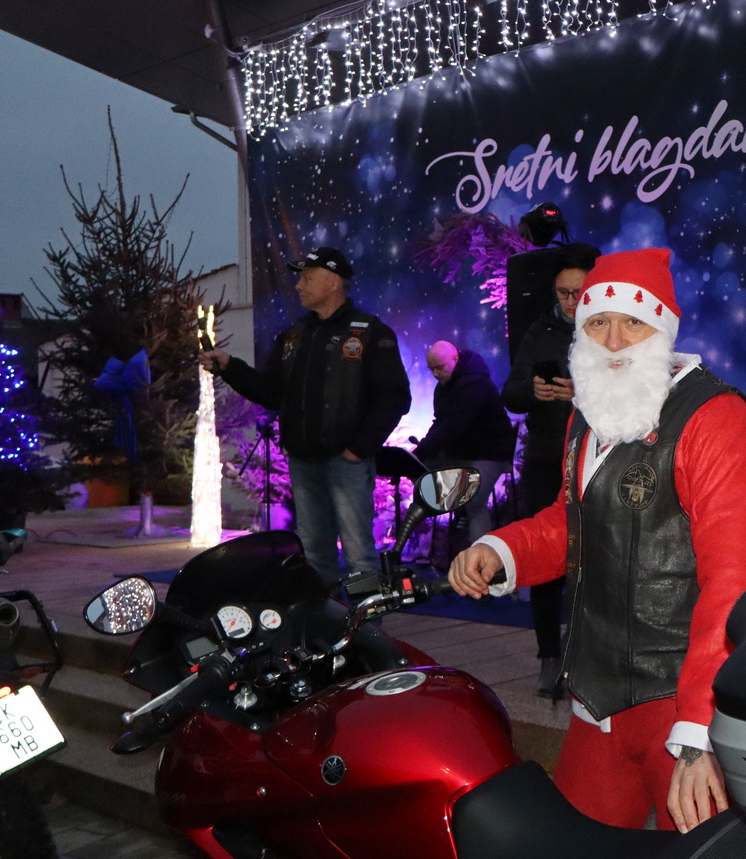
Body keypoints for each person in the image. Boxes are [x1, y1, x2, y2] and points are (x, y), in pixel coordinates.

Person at [448, 248, 746, 833]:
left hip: (678, 703)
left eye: (634, 321)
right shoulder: (591, 414)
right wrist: (500, 550)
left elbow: (737, 582)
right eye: (598, 321)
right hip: (597, 699)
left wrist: (702, 730)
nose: (614, 340)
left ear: (663, 328)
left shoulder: (716, 419)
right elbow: (572, 521)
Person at [199, 246, 410, 580]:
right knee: (314, 553)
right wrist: (230, 367)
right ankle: (325, 613)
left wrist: (358, 449)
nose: (298, 286)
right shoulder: (294, 335)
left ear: (333, 282)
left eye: (307, 278)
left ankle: (367, 615)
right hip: (303, 462)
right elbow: (271, 391)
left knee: (358, 554)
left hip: (346, 463)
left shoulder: (370, 332)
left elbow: (394, 397)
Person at [501, 242, 601, 698]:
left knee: (597, 557)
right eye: (563, 292)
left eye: (579, 292)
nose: (571, 301)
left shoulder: (610, 327)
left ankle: (589, 651)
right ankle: (549, 654)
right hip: (545, 456)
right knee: (545, 555)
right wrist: (534, 392)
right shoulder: (540, 328)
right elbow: (511, 392)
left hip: (597, 455)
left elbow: (634, 390)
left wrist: (579, 393)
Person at [414, 341, 516, 542]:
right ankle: (458, 510)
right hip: (461, 454)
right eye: (431, 369)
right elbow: (442, 423)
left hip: (490, 454)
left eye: (439, 367)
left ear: (455, 359)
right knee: (418, 471)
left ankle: (481, 556)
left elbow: (453, 425)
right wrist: (420, 454)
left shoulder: (475, 384)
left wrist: (421, 451)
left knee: (475, 501)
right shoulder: (444, 387)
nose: (435, 374)